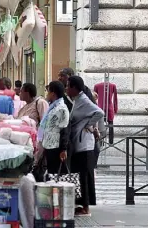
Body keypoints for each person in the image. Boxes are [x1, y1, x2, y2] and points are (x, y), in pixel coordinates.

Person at [67, 76, 104, 216]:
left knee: (84, 176)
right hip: (79, 143)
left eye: (68, 86)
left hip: (85, 145)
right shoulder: (76, 100)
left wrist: (89, 125)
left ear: (75, 88)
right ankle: (82, 204)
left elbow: (100, 112)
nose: (66, 89)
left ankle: (86, 207)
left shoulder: (83, 100)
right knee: (80, 175)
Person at [37, 81, 70, 174]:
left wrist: (63, 149)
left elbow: (65, 129)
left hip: (56, 147)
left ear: (53, 93)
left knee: (55, 173)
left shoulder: (61, 109)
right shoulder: (52, 106)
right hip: (48, 145)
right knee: (51, 172)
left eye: (48, 91)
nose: (47, 94)